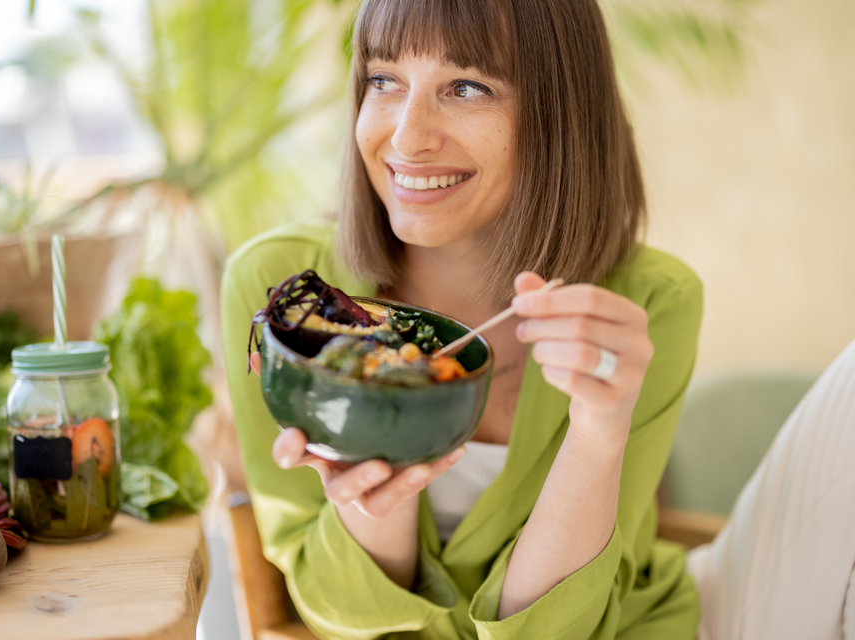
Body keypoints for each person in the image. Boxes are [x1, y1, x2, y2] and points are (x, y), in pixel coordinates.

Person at [220, 1, 855, 638]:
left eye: (467, 87)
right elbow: (331, 613)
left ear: (558, 115)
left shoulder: (648, 302)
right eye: (384, 81)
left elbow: (571, 626)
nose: (408, 136)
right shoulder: (282, 294)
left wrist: (599, 433)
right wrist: (375, 490)